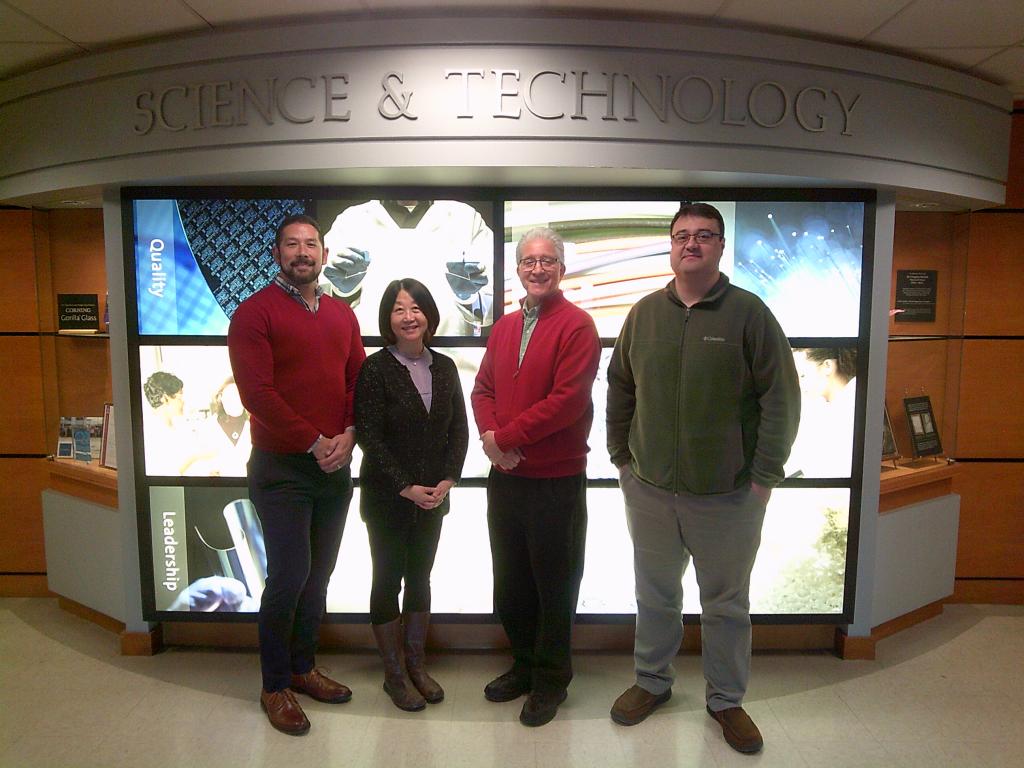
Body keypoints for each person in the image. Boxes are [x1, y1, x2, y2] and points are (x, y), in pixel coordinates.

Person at [606, 202, 800, 754]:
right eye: (682, 236)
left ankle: (726, 700)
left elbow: (781, 400)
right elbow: (620, 388)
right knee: (655, 594)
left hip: (730, 495)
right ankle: (652, 682)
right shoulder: (643, 314)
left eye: (704, 236)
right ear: (670, 246)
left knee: (726, 604)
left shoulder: (750, 314)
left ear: (719, 246)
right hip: (649, 490)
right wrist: (623, 459)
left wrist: (763, 477)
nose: (691, 244)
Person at [227, 213, 366, 736]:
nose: (302, 252)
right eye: (292, 244)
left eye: (311, 244)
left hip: (334, 465)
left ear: (324, 255)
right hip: (282, 468)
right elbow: (256, 395)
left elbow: (357, 378)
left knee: (319, 575)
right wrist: (315, 442)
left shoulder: (340, 315)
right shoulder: (253, 314)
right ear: (277, 253)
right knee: (287, 576)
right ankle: (274, 684)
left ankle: (304, 667)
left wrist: (349, 434)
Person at [471, 227, 601, 727]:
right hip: (505, 478)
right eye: (529, 261)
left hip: (556, 479)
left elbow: (567, 402)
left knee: (555, 584)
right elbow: (482, 388)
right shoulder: (503, 327)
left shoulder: (578, 326)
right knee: (511, 583)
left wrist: (506, 438)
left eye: (548, 261)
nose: (538, 269)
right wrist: (490, 435)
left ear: (562, 269)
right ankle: (523, 665)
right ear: (519, 270)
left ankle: (551, 681)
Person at [354, 278, 469, 712]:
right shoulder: (376, 368)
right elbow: (369, 435)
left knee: (420, 578)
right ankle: (394, 674)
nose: (408, 316)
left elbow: (458, 428)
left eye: (416, 308)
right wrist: (405, 486)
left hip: (433, 499)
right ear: (388, 319)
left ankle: (417, 665)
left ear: (429, 316)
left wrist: (448, 480)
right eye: (399, 309)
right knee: (387, 580)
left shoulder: (445, 367)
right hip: (388, 498)